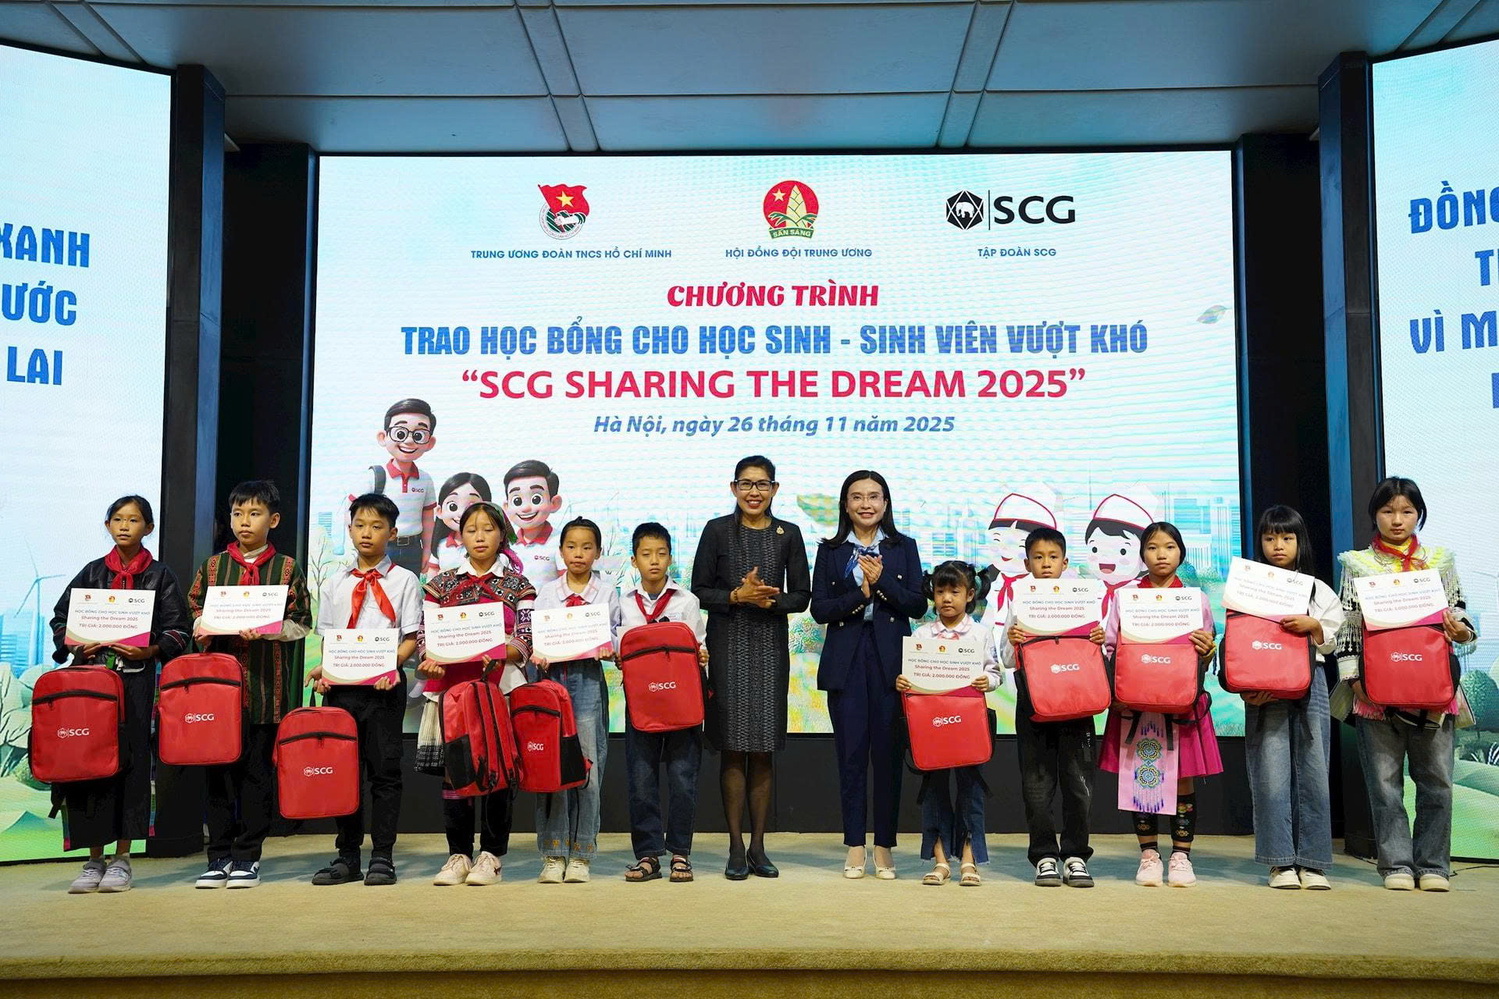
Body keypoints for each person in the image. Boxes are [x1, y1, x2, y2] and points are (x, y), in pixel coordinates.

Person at [1334, 477, 1477, 892]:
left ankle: (1433, 865)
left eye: (1407, 511)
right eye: (1388, 511)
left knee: (1437, 782)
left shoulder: (1440, 561)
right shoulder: (1357, 564)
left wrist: (1462, 631)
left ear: (1419, 515)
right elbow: (1347, 624)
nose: (1397, 520)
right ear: (1375, 515)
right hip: (1374, 692)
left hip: (1433, 692)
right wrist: (1353, 679)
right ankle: (1396, 864)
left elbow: (1459, 615)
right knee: (1384, 785)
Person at [49, 495, 190, 893]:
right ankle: (93, 859)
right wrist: (77, 644)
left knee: (132, 766)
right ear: (108, 525)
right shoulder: (91, 572)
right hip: (91, 686)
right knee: (89, 764)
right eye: (118, 519)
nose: (125, 526)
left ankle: (122, 858)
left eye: (134, 520)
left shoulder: (161, 576)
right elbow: (60, 619)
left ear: (149, 528)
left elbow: (179, 629)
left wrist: (151, 650)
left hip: (138, 686)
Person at [187, 480, 312, 889]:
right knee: (217, 776)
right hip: (217, 695)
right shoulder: (212, 567)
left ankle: (247, 856)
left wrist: (272, 629)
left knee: (256, 776)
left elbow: (302, 623)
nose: (244, 521)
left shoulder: (288, 568)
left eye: (254, 513)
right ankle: (218, 856)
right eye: (238, 514)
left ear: (273, 521)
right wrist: (202, 626)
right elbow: (194, 609)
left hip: (265, 691)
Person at [691, 455, 811, 880]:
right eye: (746, 484)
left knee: (762, 749)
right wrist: (736, 596)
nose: (754, 492)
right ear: (733, 488)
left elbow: (802, 596)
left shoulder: (788, 534)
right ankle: (735, 846)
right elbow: (698, 590)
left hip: (769, 648)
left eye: (762, 484)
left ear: (774, 489)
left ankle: (759, 846)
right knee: (732, 746)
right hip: (727, 646)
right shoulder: (716, 530)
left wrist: (768, 599)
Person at [810, 470, 925, 879]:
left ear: (885, 503)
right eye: (857, 497)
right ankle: (855, 844)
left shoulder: (903, 547)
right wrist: (860, 595)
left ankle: (884, 846)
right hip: (847, 662)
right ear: (845, 505)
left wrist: (882, 583)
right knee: (852, 756)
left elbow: (916, 605)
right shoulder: (831, 550)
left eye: (874, 496)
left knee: (889, 757)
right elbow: (820, 609)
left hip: (891, 664)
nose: (866, 504)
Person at [307, 493, 423, 886]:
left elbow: (411, 638)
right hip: (342, 691)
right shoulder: (335, 582)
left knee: (385, 773)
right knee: (345, 774)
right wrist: (324, 671)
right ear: (350, 529)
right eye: (359, 525)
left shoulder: (405, 580)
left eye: (376, 526)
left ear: (393, 532)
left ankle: (383, 856)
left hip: (384, 688)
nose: (367, 533)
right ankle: (347, 856)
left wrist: (392, 666)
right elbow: (329, 637)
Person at [418, 501, 535, 886]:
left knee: (497, 771)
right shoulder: (440, 584)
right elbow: (425, 633)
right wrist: (430, 659)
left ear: (502, 534)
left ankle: (491, 856)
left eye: (488, 529)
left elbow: (526, 637)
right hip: (452, 692)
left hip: (502, 689)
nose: (480, 536)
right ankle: (458, 855)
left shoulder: (519, 585)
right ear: (460, 536)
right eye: (471, 530)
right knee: (456, 775)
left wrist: (500, 652)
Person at [1098, 521, 1220, 888]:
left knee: (1182, 780)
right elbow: (1110, 647)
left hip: (1181, 702)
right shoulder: (1126, 597)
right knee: (1142, 777)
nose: (1161, 554)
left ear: (1181, 553)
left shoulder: (1196, 600)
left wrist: (1207, 650)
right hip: (1137, 703)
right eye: (1152, 548)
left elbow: (1207, 649)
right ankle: (1149, 855)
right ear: (1142, 555)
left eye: (1169, 547)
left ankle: (1181, 856)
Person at [1242, 505, 1345, 890]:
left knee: (1314, 769)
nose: (1278, 545)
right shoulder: (1248, 586)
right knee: (1270, 772)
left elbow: (1332, 640)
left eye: (1287, 537)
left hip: (1309, 679)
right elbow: (1238, 637)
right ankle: (1279, 862)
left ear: (1300, 541)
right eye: (1270, 538)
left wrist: (1314, 625)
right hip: (1264, 682)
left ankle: (1313, 862)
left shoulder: (1317, 589)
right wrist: (1245, 688)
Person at [1002, 527, 1106, 888]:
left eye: (1053, 557)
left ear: (1065, 562)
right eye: (1038, 557)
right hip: (1034, 704)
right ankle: (1044, 855)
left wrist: (1098, 639)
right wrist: (1013, 640)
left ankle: (1076, 856)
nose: (1046, 564)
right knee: (1036, 785)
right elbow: (1006, 659)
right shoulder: (1020, 601)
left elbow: (1098, 653)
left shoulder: (1083, 599)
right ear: (1026, 563)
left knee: (1079, 785)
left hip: (1077, 702)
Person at [898, 561, 1001, 887]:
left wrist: (988, 681)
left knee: (971, 791)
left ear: (969, 595)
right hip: (931, 724)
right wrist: (904, 682)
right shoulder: (922, 635)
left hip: (969, 723)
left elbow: (995, 673)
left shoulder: (980, 634)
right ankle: (940, 861)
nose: (946, 598)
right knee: (933, 791)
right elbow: (912, 677)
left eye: (954, 591)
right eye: (940, 591)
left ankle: (969, 860)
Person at [530, 517, 622, 884]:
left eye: (586, 547)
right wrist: (539, 652)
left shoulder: (607, 592)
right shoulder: (547, 593)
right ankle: (554, 853)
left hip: (586, 683)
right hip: (552, 683)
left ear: (598, 552)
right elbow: (537, 636)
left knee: (588, 770)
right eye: (571, 546)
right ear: (561, 551)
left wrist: (609, 647)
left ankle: (582, 853)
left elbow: (616, 635)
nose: (578, 554)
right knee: (552, 769)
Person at [616, 522, 709, 883]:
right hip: (642, 703)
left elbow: (699, 646)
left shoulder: (687, 601)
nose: (654, 560)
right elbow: (616, 648)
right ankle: (648, 854)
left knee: (683, 779)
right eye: (646, 554)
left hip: (682, 702)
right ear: (634, 560)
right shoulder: (624, 603)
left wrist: (703, 655)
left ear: (671, 557)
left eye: (661, 553)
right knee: (642, 780)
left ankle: (681, 853)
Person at [351, 398, 438, 575]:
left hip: (413, 548)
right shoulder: (374, 476)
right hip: (380, 546)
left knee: (410, 589)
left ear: (429, 442)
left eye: (419, 435)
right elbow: (352, 513)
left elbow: (428, 519)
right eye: (400, 433)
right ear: (383, 437)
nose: (409, 441)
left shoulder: (425, 479)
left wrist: (427, 550)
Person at [503, 459, 564, 587]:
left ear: (554, 503)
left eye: (536, 499)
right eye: (517, 501)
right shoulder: (505, 544)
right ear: (506, 507)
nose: (525, 508)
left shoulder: (561, 542)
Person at [427, 472, 491, 575]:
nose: (461, 514)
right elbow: (432, 571)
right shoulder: (441, 545)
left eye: (471, 507)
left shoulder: (487, 545)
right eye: (453, 506)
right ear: (439, 511)